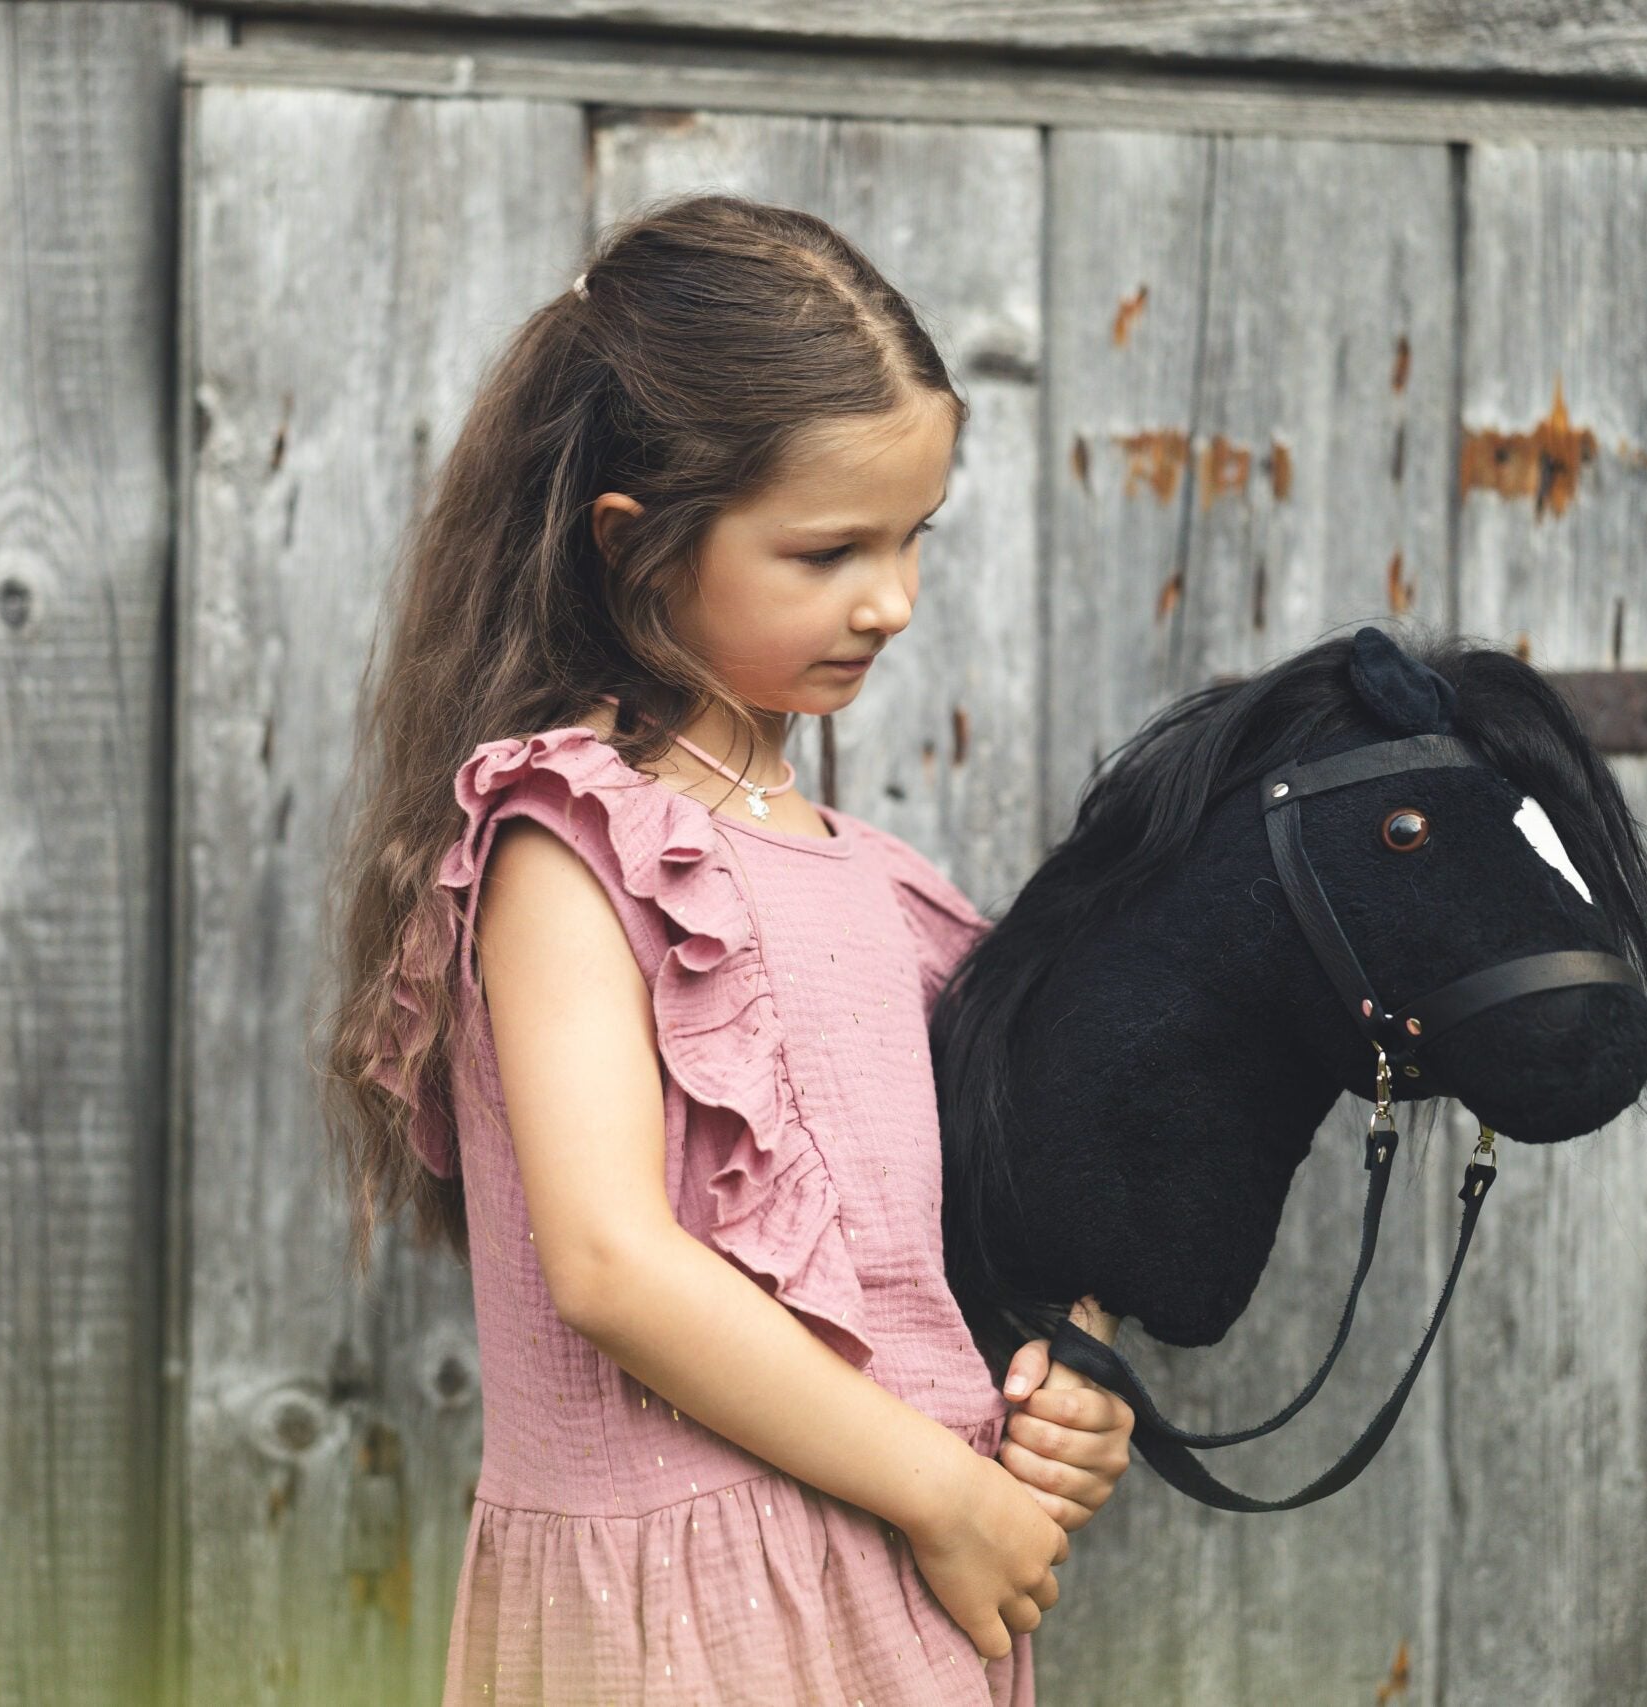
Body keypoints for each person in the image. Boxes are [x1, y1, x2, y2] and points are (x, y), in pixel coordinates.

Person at [320, 192, 1136, 1706]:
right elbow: (612, 1266)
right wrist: (947, 1496)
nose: (891, 601)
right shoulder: (570, 842)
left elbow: (976, 1238)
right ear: (634, 542)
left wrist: (1068, 1378)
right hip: (689, 1633)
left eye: (913, 539)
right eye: (826, 551)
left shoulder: (887, 894)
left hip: (901, 1609)